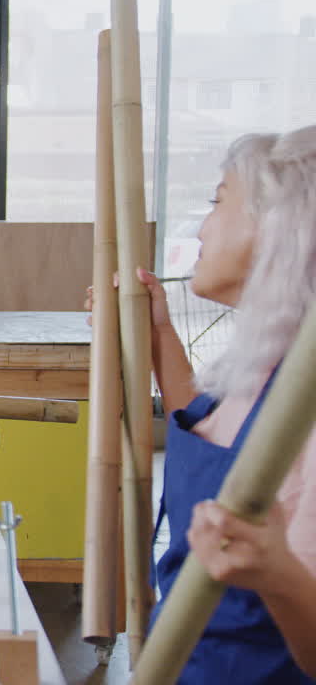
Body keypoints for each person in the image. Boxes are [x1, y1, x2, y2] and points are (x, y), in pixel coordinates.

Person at [87, 125, 316, 681]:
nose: (204, 227)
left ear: (279, 228)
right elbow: (216, 429)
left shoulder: (307, 406)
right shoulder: (269, 362)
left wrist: (277, 572)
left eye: (218, 201)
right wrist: (159, 334)